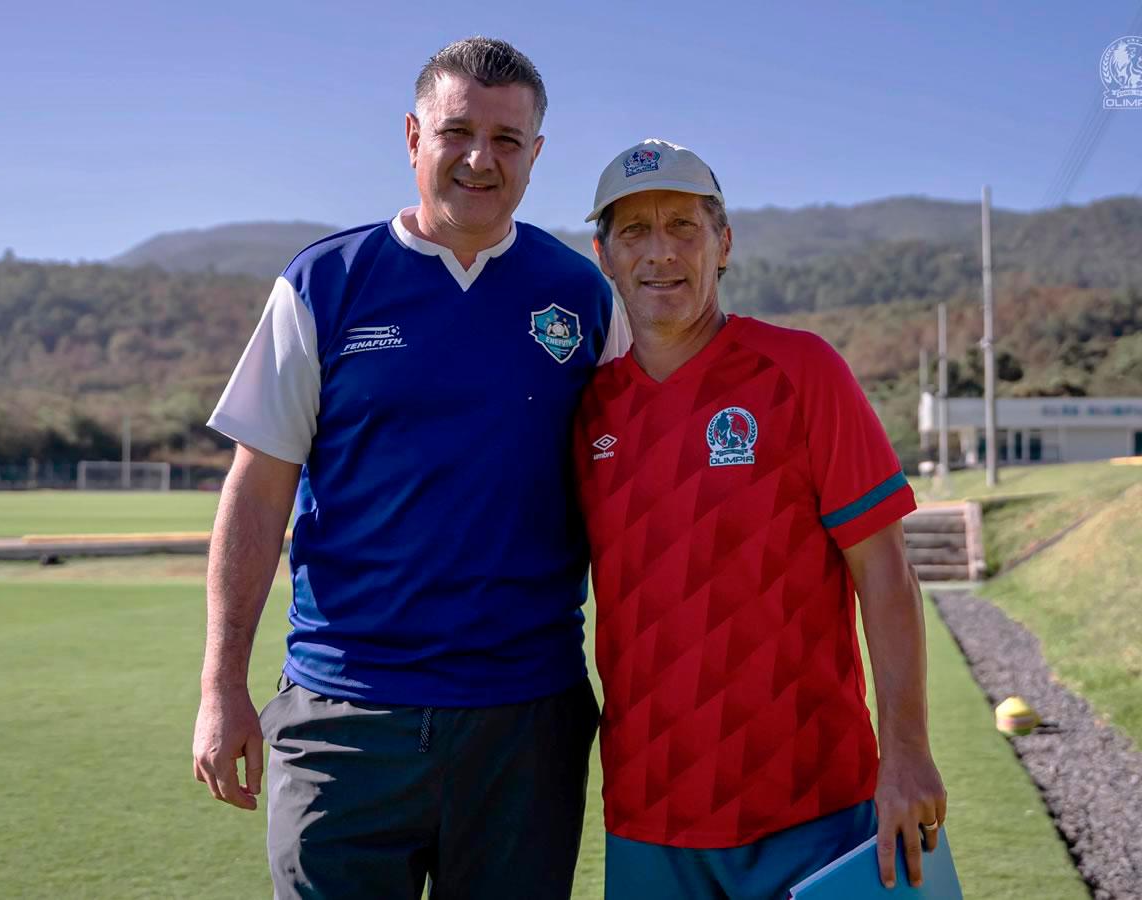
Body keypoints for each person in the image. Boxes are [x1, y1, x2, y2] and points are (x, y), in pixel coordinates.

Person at [192, 37, 629, 900]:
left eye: (507, 140)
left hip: (524, 720)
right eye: (457, 131)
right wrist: (219, 686)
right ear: (412, 137)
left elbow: (631, 492)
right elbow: (257, 493)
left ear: (536, 154)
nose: (480, 159)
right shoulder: (324, 283)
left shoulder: (582, 295)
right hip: (344, 715)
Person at [573, 139, 947, 899]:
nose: (660, 252)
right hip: (648, 818)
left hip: (814, 807)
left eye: (684, 226)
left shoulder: (802, 371)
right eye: (635, 231)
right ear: (604, 256)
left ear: (724, 244)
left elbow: (885, 572)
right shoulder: (588, 411)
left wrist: (906, 752)